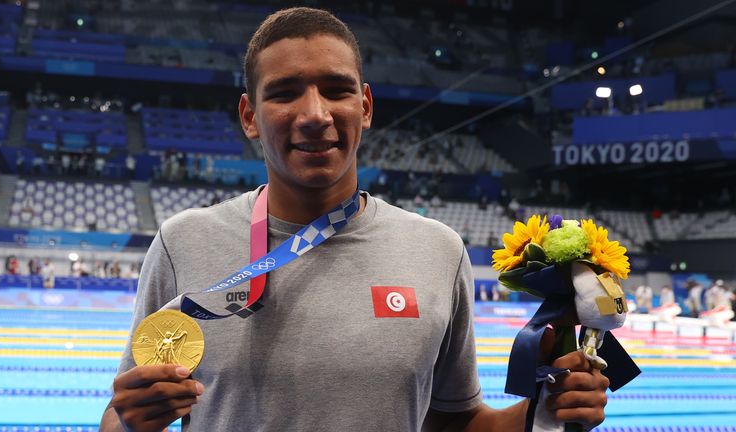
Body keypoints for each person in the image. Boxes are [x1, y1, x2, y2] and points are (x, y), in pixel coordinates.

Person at [101, 8, 608, 432]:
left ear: (364, 106)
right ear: (249, 115)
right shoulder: (184, 242)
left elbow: (457, 422)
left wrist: (545, 410)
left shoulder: (437, 250)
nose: (315, 112)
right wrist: (128, 421)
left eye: (336, 89)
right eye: (284, 92)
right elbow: (119, 416)